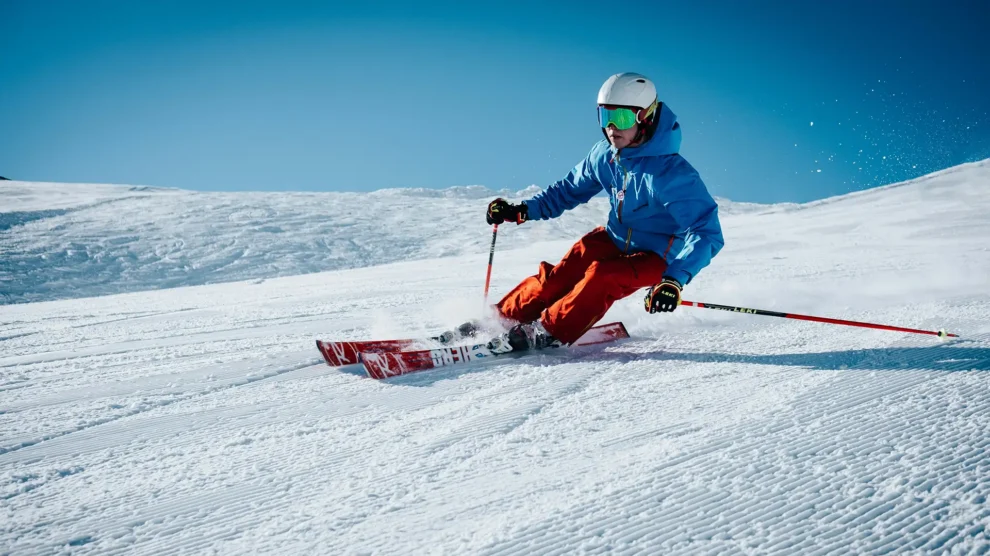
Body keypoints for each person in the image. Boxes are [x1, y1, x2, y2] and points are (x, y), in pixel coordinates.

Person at [485, 72, 724, 352]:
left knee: (604, 275)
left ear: (644, 117)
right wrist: (521, 210)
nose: (611, 128)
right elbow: (567, 191)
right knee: (559, 277)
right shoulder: (605, 155)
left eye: (621, 118)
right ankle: (500, 319)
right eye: (604, 117)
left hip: (657, 256)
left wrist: (674, 279)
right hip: (613, 238)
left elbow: (705, 232)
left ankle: (547, 331)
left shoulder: (671, 174)